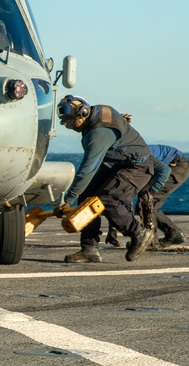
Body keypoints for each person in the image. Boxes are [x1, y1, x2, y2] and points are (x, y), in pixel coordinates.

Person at [56, 95, 159, 263]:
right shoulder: (95, 118)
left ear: (81, 113)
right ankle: (89, 249)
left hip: (136, 167)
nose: (67, 125)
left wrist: (67, 200)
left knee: (107, 199)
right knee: (86, 198)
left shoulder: (98, 133)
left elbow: (87, 170)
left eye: (69, 120)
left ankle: (139, 233)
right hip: (117, 165)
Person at [148, 144, 189, 247]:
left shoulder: (138, 154)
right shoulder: (132, 150)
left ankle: (152, 240)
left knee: (149, 202)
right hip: (171, 164)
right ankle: (173, 233)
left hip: (177, 166)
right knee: (147, 202)